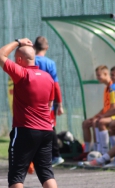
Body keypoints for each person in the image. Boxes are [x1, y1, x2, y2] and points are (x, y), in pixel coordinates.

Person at [0, 38, 64, 188]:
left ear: (19, 59)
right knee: (46, 172)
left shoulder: (22, 74)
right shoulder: (48, 77)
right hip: (46, 131)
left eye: (17, 59)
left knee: (16, 174)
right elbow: (49, 105)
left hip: (25, 130)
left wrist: (17, 41)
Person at [74, 65, 115, 161]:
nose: (97, 78)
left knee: (96, 122)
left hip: (114, 115)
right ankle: (87, 151)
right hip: (107, 115)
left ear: (106, 74)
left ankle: (100, 151)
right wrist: (97, 115)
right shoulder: (107, 88)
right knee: (86, 123)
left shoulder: (113, 87)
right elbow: (106, 107)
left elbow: (114, 107)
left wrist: (100, 116)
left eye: (99, 75)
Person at [34, 36, 64, 167]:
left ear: (34, 47)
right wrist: (60, 104)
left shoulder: (30, 60)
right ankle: (55, 155)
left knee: (33, 127)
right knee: (49, 127)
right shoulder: (50, 63)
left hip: (32, 101)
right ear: (47, 47)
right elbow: (55, 85)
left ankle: (38, 157)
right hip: (48, 102)